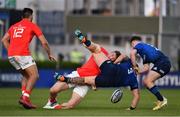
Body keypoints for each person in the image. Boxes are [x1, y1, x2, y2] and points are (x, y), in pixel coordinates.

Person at [55, 29, 140, 110]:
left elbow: (123, 55)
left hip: (111, 69)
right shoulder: (134, 81)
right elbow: (137, 96)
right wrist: (131, 108)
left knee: (96, 51)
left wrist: (114, 63)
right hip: (108, 82)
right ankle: (65, 79)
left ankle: (84, 40)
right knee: (86, 80)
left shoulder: (129, 63)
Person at [1, 8, 56, 109]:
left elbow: (4, 40)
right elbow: (44, 42)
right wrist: (49, 54)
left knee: (26, 76)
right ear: (31, 17)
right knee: (34, 75)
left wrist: (11, 51)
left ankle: (24, 96)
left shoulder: (13, 26)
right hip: (23, 54)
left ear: (22, 17)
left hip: (12, 56)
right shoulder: (32, 25)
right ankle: (25, 97)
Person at [43, 47, 127, 109]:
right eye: (111, 54)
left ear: (115, 60)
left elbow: (98, 79)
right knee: (53, 90)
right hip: (78, 74)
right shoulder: (102, 51)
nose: (111, 56)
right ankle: (52, 102)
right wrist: (82, 38)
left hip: (86, 84)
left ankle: (56, 107)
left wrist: (95, 85)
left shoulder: (109, 68)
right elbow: (91, 46)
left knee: (70, 105)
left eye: (113, 57)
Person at [129, 36, 171, 110]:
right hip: (162, 63)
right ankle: (160, 99)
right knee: (146, 82)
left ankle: (162, 100)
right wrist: (137, 71)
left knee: (148, 81)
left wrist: (134, 66)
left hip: (162, 63)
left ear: (133, 43)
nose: (132, 47)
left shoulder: (139, 45)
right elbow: (146, 68)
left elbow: (132, 54)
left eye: (132, 45)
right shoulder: (144, 51)